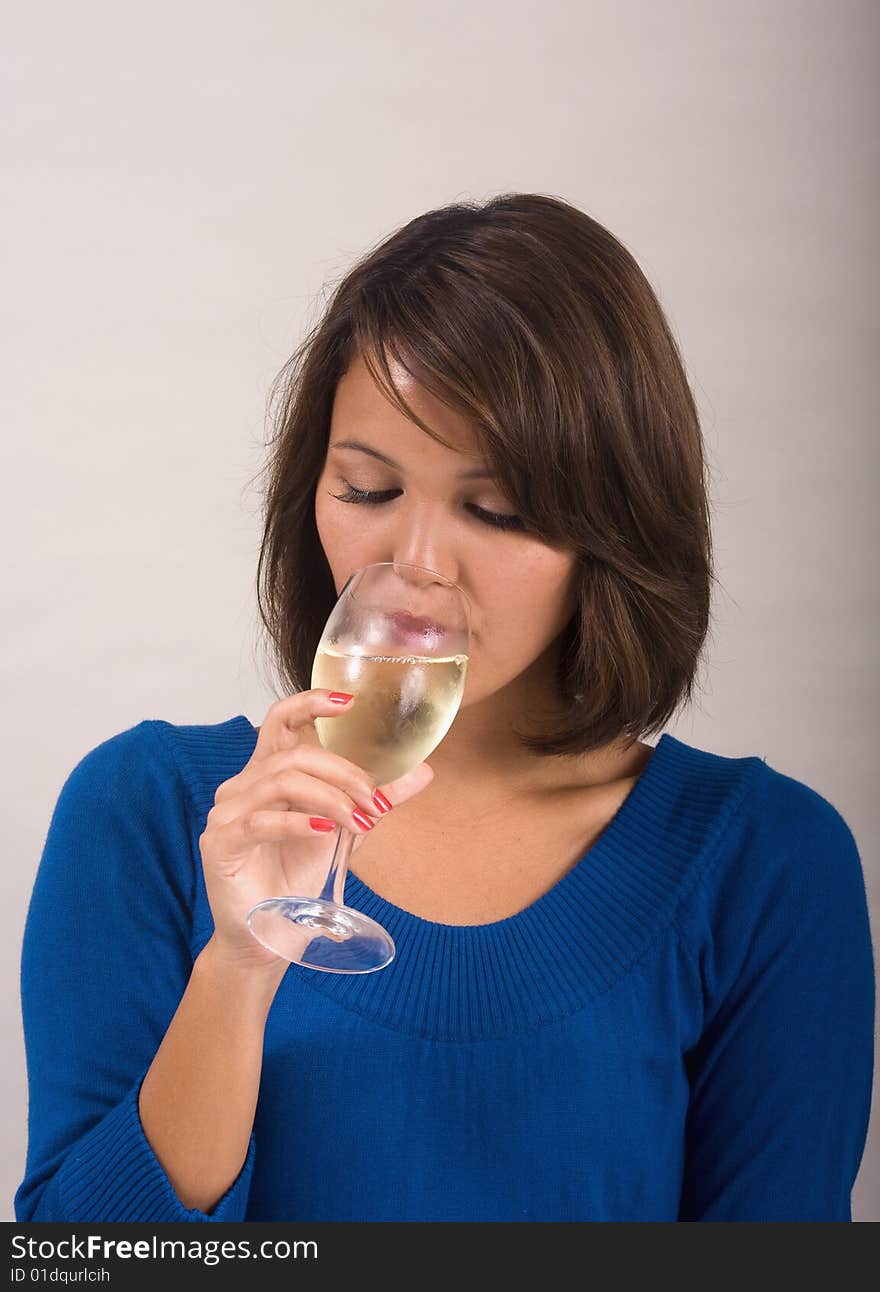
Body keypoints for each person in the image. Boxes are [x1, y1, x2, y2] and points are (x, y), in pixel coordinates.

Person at [15, 193, 874, 1223]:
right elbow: (85, 1260)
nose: (413, 564)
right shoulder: (148, 812)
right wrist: (238, 967)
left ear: (617, 523)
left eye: (497, 508)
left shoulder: (762, 864)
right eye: (369, 489)